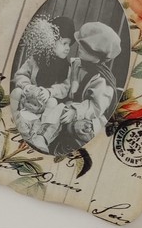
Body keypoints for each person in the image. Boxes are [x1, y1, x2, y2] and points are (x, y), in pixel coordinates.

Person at [51, 22, 121, 155]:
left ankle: (70, 152)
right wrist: (52, 91)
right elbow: (67, 84)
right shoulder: (77, 64)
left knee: (80, 130)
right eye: (81, 44)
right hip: (68, 105)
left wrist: (75, 111)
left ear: (99, 55)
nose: (80, 48)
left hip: (88, 115)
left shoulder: (101, 80)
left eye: (87, 48)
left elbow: (96, 107)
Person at [10, 16, 75, 150]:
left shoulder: (66, 67)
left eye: (69, 44)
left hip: (46, 103)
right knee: (16, 92)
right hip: (29, 98)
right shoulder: (35, 59)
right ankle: (14, 119)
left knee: (54, 103)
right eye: (64, 43)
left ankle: (40, 134)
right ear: (51, 42)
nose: (68, 48)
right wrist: (27, 86)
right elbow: (20, 75)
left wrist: (49, 92)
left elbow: (65, 87)